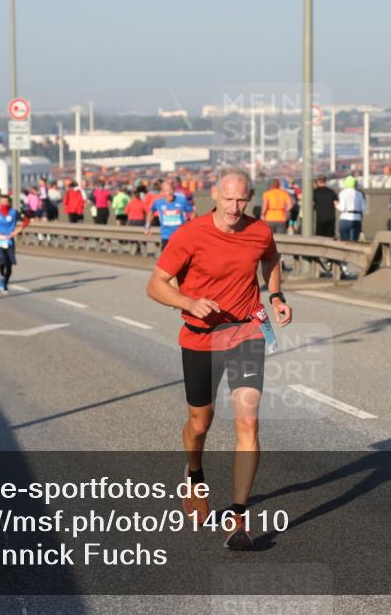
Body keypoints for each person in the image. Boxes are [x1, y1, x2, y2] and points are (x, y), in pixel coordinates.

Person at [145, 168, 292, 550]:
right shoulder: (190, 234)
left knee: (248, 421)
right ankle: (194, 474)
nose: (234, 207)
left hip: (245, 333)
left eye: (241, 199)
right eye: (227, 199)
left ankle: (239, 517)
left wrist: (275, 296)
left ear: (251, 197)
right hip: (200, 338)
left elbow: (271, 260)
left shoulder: (259, 231)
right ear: (214, 195)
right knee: (200, 422)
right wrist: (189, 302)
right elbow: (155, 284)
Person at [0, 193, 30, 292]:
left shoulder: (14, 212)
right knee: (2, 259)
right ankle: (2, 276)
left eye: (6, 202)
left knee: (9, 265)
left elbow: (26, 221)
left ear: (9, 203)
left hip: (9, 241)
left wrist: (16, 231)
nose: (4, 204)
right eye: (2, 202)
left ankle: (5, 282)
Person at [146, 180, 193, 249]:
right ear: (162, 192)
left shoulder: (182, 200)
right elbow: (151, 212)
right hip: (166, 237)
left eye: (171, 190)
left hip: (180, 236)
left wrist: (191, 226)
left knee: (181, 259)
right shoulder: (158, 202)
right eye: (167, 190)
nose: (170, 192)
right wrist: (147, 226)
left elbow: (192, 212)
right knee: (166, 259)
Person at [336, 175, 367, 242]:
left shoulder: (343, 193)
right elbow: (364, 208)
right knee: (354, 242)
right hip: (357, 219)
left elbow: (342, 208)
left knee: (344, 242)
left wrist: (336, 204)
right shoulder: (359, 194)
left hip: (345, 219)